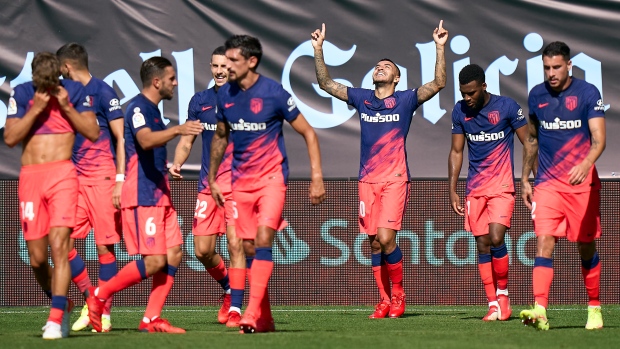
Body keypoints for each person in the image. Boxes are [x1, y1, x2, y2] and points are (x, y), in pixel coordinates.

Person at [311, 21, 448, 319]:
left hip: (396, 179)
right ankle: (384, 300)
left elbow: (438, 84)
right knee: (373, 242)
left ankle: (399, 296)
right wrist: (319, 50)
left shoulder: (406, 99)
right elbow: (326, 84)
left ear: (397, 78)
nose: (380, 67)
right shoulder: (363, 99)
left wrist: (439, 47)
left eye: (387, 66)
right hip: (367, 180)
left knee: (387, 238)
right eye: (378, 65)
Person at [209, 35, 326, 333]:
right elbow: (221, 136)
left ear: (252, 62)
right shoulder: (225, 95)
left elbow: (309, 133)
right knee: (248, 247)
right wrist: (212, 178)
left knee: (262, 239)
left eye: (234, 60)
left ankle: (249, 313)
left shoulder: (274, 93)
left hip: (272, 179)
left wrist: (316, 177)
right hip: (239, 182)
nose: (228, 66)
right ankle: (266, 318)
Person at [86, 57, 204, 333]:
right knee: (154, 261)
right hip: (143, 195)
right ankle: (99, 295)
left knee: (174, 253)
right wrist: (177, 130)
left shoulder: (153, 109)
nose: (176, 83)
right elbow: (145, 140)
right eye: (172, 78)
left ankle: (150, 319)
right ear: (157, 81)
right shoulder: (138, 107)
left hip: (160, 193)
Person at [4, 52, 99, 339]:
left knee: (60, 245)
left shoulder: (73, 91)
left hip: (62, 175)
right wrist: (36, 109)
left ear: (58, 74)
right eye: (40, 81)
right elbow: (9, 138)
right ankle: (64, 302)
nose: (45, 85)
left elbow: (93, 132)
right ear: (33, 77)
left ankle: (56, 319)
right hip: (32, 178)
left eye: (50, 80)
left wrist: (67, 108)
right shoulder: (21, 94)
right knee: (36, 258)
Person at [519, 41, 606, 331]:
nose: (551, 73)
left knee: (585, 245)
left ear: (569, 65)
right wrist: (525, 178)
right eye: (546, 68)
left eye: (557, 67)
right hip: (547, 183)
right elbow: (531, 139)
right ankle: (540, 310)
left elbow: (598, 138)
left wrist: (586, 163)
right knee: (544, 240)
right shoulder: (536, 96)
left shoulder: (587, 93)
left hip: (581, 183)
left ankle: (594, 307)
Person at [169, 46, 245, 327]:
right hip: (208, 186)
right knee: (202, 250)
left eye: (225, 65)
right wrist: (177, 162)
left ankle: (236, 307)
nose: (220, 70)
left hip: (238, 186)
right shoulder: (199, 101)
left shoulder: (246, 100)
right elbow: (187, 139)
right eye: (215, 66)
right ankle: (228, 288)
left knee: (236, 244)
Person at [448, 64, 527, 321]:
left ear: (483, 87)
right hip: (475, 189)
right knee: (482, 245)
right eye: (463, 93)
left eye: (471, 93)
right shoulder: (459, 111)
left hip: (502, 186)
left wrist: (534, 179)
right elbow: (457, 151)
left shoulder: (506, 107)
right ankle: (492, 304)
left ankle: (503, 294)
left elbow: (530, 143)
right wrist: (453, 189)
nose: (467, 98)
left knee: (496, 237)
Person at [55, 43, 125, 333]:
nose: (60, 76)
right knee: (62, 242)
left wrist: (120, 180)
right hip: (75, 179)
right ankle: (90, 297)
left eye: (61, 71)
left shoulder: (104, 92)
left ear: (68, 67)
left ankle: (103, 313)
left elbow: (121, 139)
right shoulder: (64, 95)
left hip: (104, 178)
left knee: (104, 247)